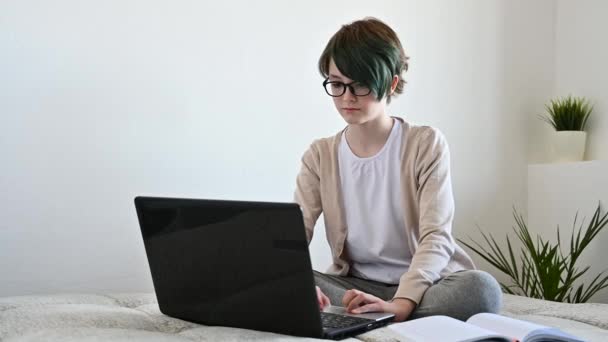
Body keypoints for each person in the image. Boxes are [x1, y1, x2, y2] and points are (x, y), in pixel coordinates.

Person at [294, 17, 502, 322]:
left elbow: (437, 236)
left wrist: (402, 303)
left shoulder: (425, 144)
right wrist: (293, 281)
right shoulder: (319, 155)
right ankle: (366, 308)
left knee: (481, 290)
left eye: (360, 85)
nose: (347, 98)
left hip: (427, 285)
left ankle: (379, 311)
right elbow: (295, 232)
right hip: (356, 285)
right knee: (284, 277)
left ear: (391, 82)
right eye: (337, 84)